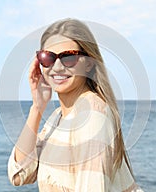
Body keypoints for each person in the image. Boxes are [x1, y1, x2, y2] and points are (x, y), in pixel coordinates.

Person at [7, 18, 143, 191]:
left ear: (88, 64)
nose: (56, 67)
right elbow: (20, 173)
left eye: (69, 57)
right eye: (47, 57)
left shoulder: (93, 116)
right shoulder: (58, 117)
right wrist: (37, 107)